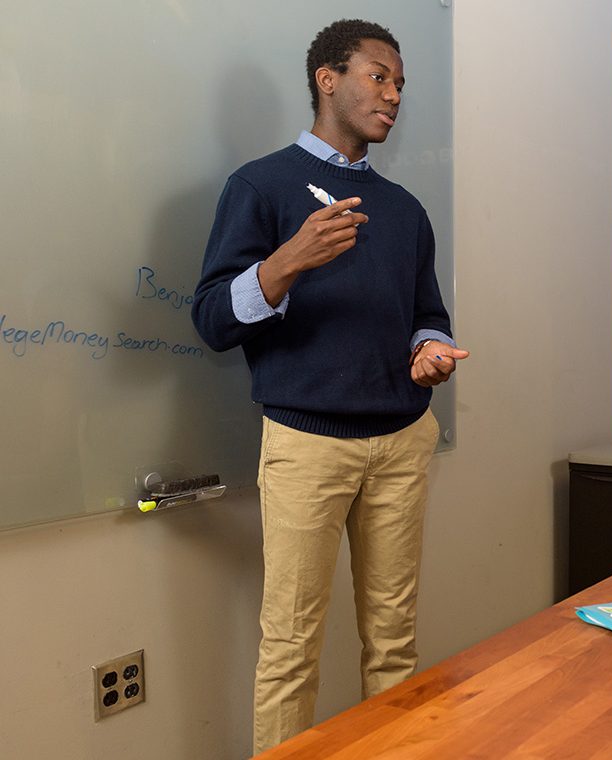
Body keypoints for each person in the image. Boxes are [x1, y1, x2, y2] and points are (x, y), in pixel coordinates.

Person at [190, 19, 468, 752]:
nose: (394, 94)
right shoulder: (259, 186)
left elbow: (427, 316)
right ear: (327, 79)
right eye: (379, 75)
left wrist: (429, 351)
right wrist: (287, 262)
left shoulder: (405, 209)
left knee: (393, 642)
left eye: (401, 82)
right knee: (290, 647)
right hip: (308, 443)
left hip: (403, 441)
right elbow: (213, 320)